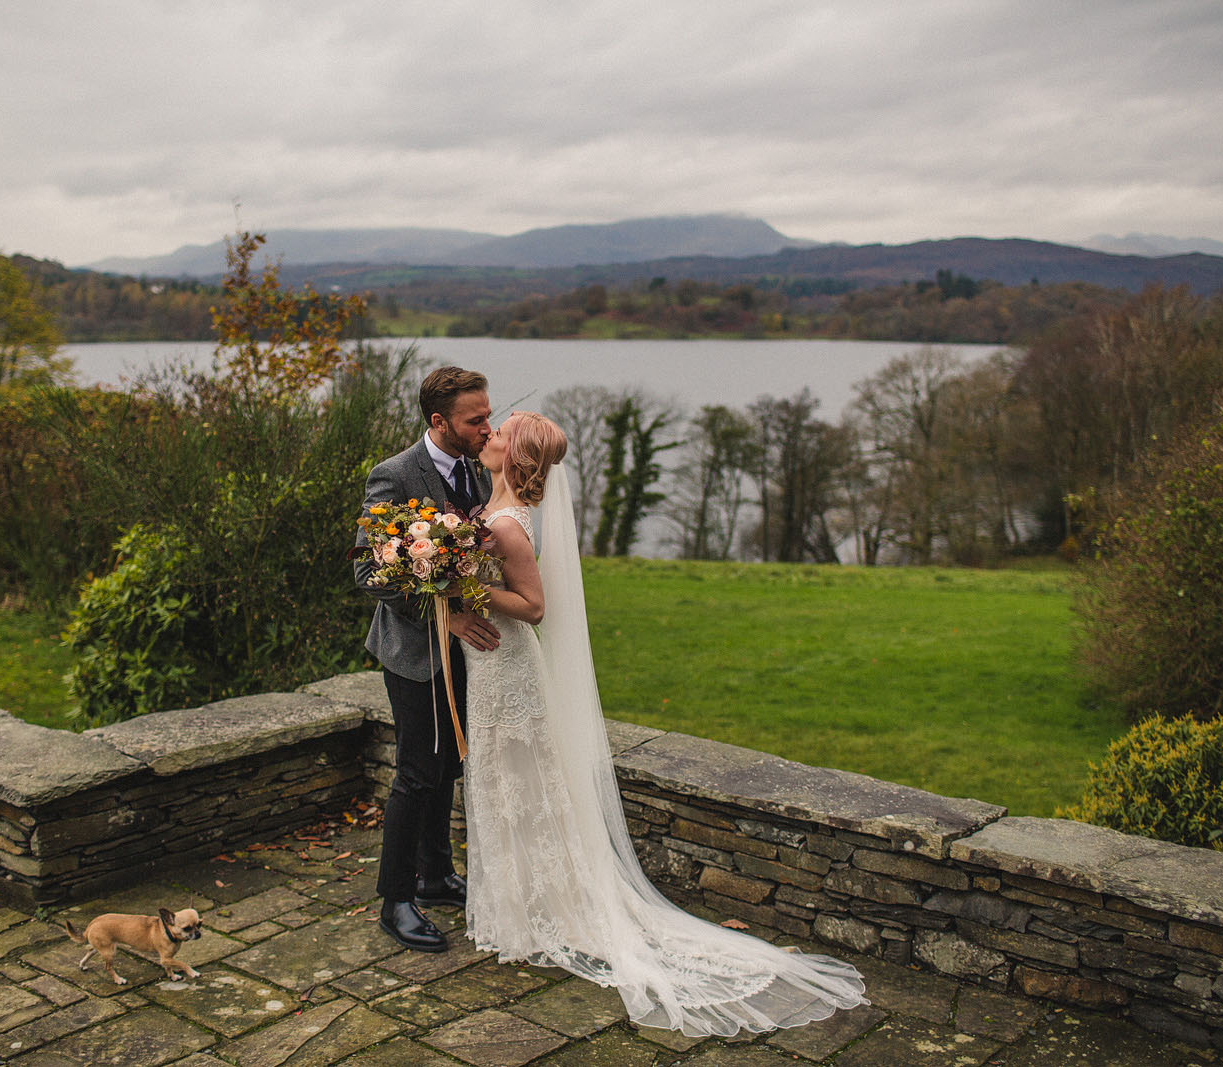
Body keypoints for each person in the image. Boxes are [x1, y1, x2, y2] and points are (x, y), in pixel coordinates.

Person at [462, 410, 868, 1036]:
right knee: (505, 783)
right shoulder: (487, 515)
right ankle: (518, 909)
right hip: (489, 666)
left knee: (522, 786)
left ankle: (538, 914)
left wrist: (466, 586)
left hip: (509, 669)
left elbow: (535, 608)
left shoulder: (506, 528)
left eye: (500, 431)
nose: (488, 435)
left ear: (516, 456)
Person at [354, 366, 502, 953]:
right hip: (414, 652)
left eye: (488, 414)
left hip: (472, 653)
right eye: (476, 419)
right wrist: (445, 617)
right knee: (417, 773)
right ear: (440, 422)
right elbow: (370, 572)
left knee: (450, 766)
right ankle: (395, 900)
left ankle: (436, 875)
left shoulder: (475, 468)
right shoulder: (393, 476)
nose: (487, 427)